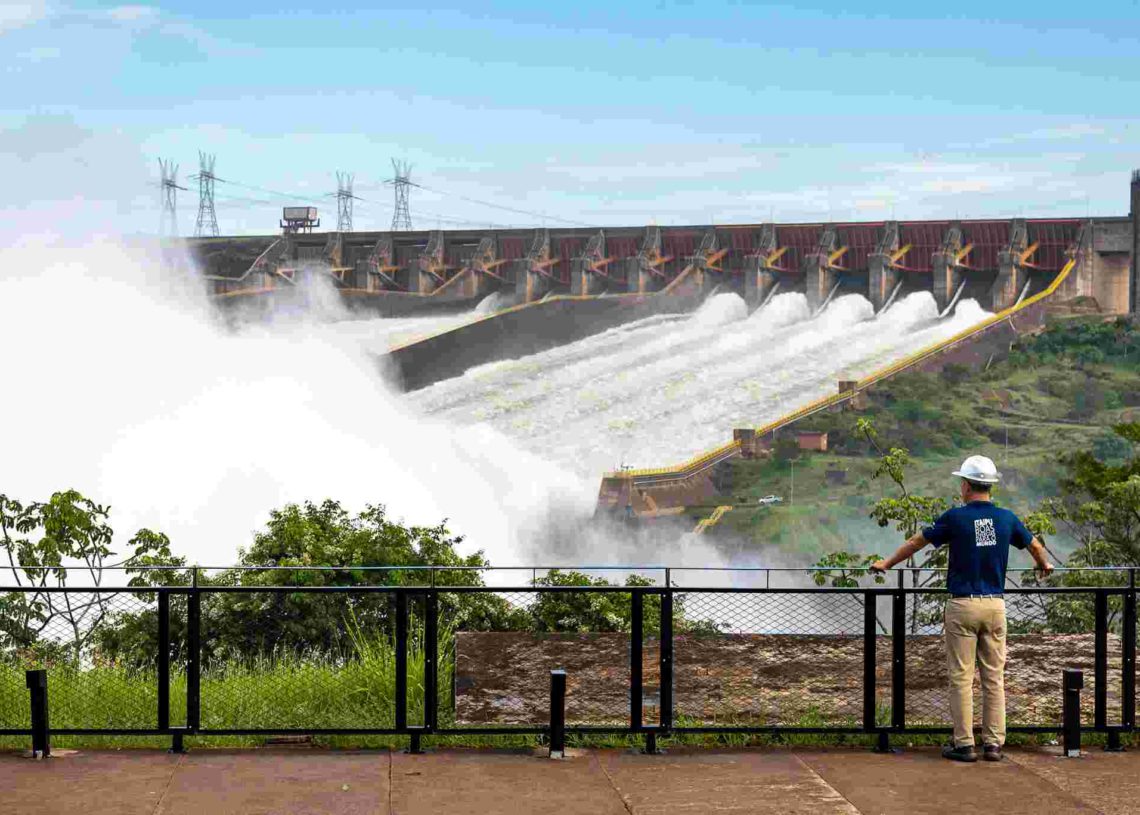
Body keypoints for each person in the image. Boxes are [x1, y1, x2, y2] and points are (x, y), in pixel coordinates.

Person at [871, 454, 1054, 763]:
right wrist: (1044, 564)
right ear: (989, 486)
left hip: (963, 605)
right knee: (993, 677)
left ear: (967, 486)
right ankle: (994, 745)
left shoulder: (955, 517)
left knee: (961, 677)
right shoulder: (1007, 518)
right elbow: (1035, 546)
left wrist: (886, 563)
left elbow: (917, 542)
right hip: (995, 604)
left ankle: (964, 744)